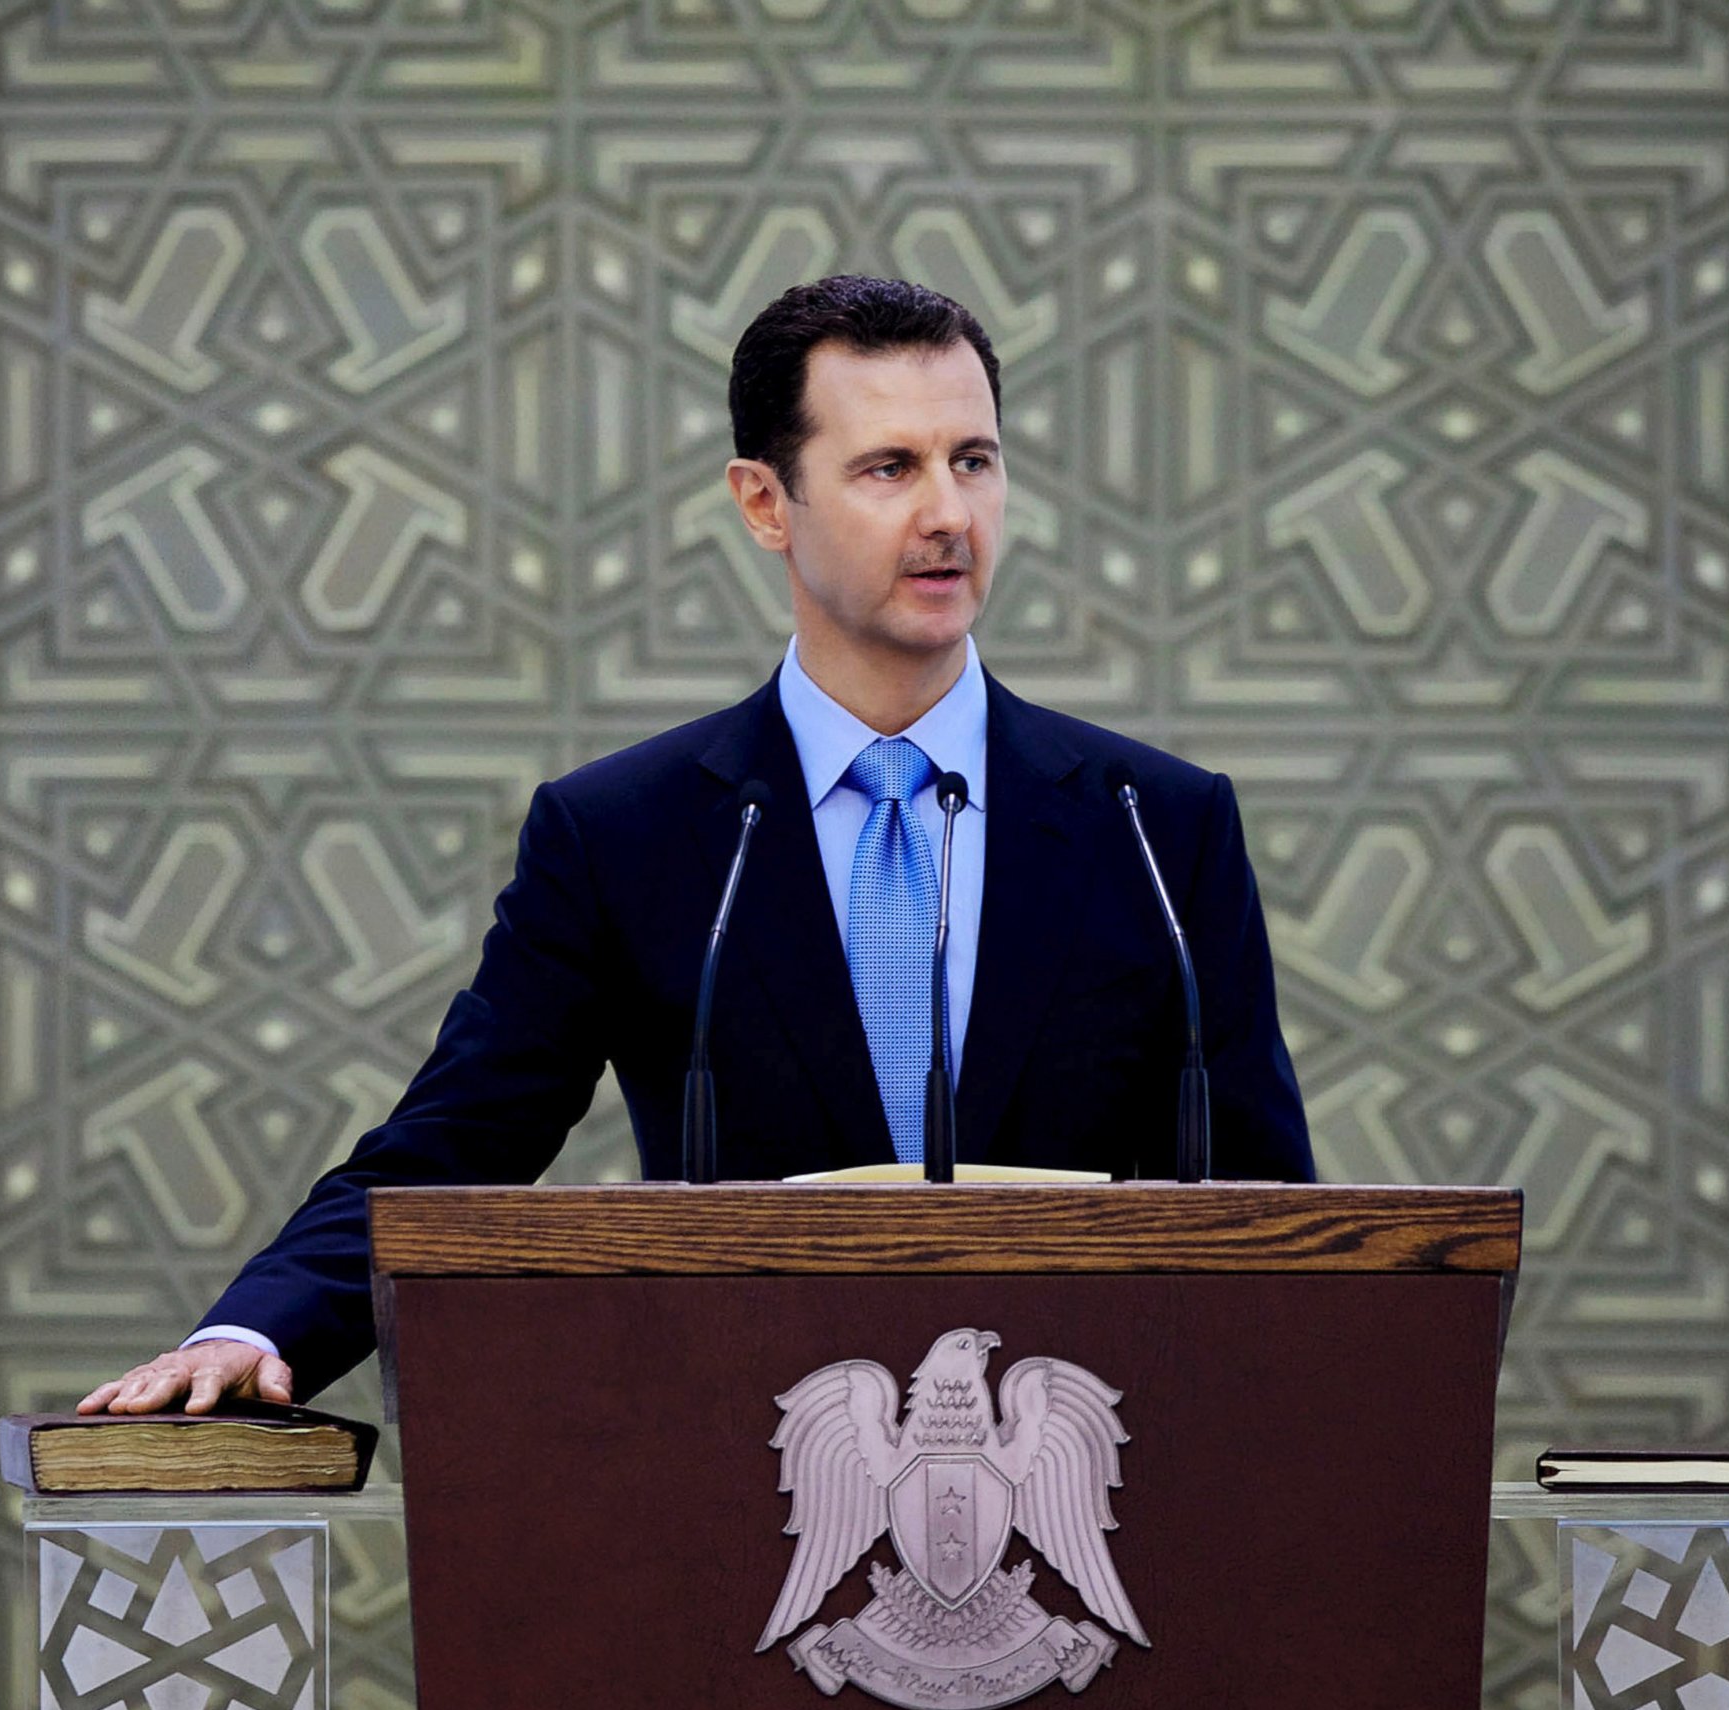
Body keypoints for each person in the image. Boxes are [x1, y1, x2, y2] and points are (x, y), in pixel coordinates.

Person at [81, 275, 1315, 1418]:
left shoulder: (1155, 824)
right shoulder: (631, 832)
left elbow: (1277, 1221)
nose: (950, 513)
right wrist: (251, 1327)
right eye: (890, 467)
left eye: (974, 460)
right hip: (740, 1488)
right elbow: (452, 1146)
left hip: (1094, 1486)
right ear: (765, 503)